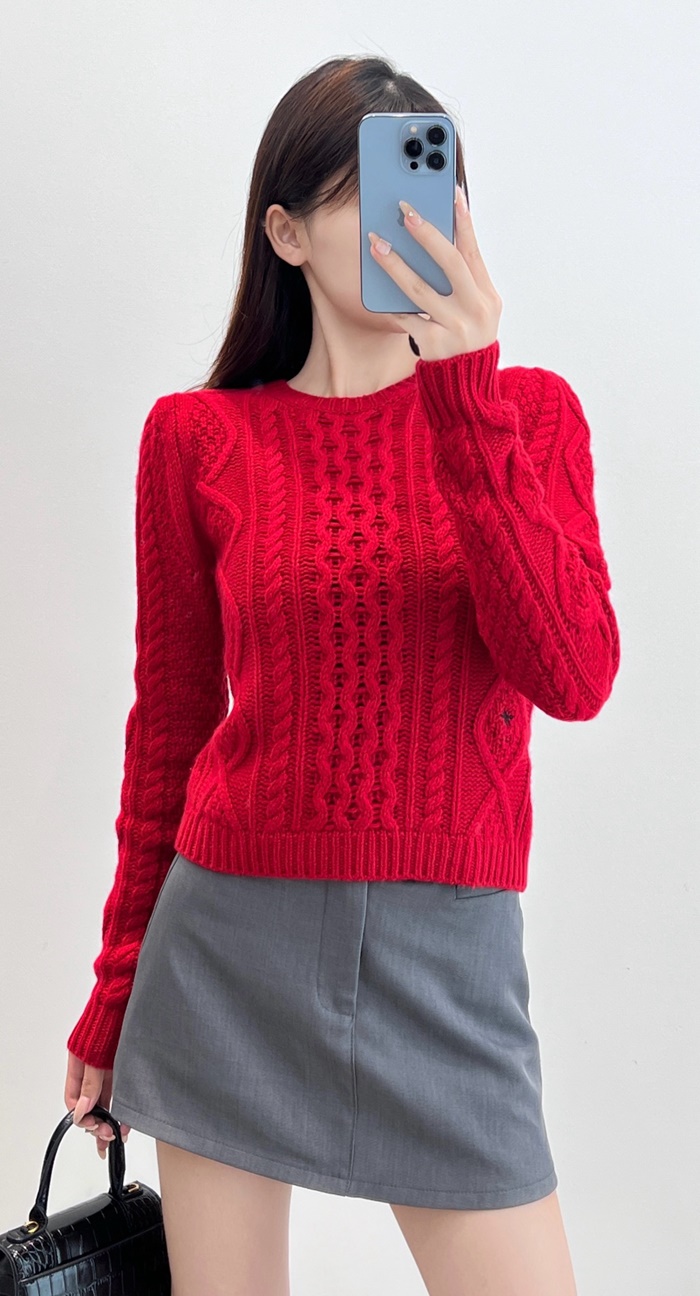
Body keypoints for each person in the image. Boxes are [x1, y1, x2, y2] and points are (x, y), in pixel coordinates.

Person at [64, 54, 620, 1296]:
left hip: (448, 964)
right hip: (225, 957)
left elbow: (574, 674)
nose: (410, 227)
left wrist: (463, 394)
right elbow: (170, 729)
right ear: (286, 234)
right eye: (367, 196)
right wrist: (114, 990)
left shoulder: (528, 415)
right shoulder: (197, 438)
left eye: (430, 190)